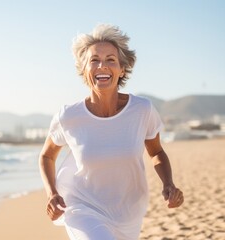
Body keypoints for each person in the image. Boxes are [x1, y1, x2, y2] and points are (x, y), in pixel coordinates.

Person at [38, 24, 184, 240]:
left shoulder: (141, 110)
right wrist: (52, 194)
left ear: (122, 69)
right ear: (84, 69)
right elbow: (47, 155)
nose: (102, 66)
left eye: (110, 60)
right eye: (94, 60)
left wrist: (169, 184)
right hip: (81, 206)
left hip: (128, 211)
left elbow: (156, 153)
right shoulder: (69, 116)